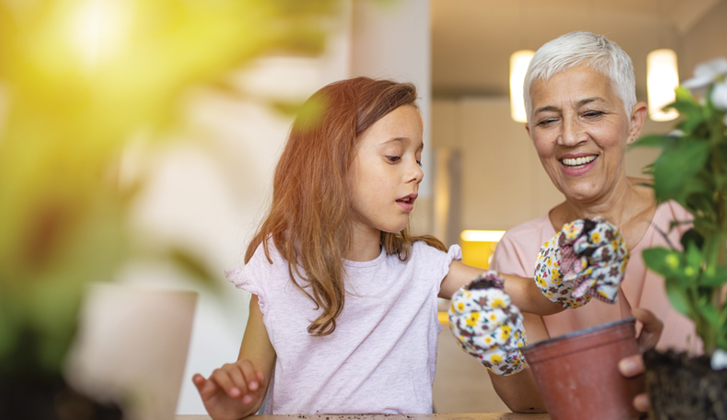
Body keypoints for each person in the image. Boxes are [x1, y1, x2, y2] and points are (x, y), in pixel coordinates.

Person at [191, 77, 566, 419]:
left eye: (417, 157)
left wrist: (571, 269)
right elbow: (250, 392)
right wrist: (234, 403)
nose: (418, 171)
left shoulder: (424, 267)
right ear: (331, 164)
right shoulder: (276, 264)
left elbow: (533, 296)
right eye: (394, 157)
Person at [487, 31, 696, 413]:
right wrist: (496, 348)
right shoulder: (518, 251)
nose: (569, 136)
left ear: (634, 124)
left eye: (592, 113)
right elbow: (531, 403)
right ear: (532, 134)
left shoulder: (700, 225)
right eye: (548, 120)